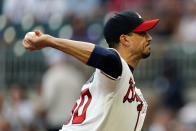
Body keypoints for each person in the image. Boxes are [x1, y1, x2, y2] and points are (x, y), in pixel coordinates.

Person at [23, 10, 159, 131]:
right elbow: (106, 58)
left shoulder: (124, 84)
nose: (149, 37)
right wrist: (49, 41)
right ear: (124, 39)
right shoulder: (117, 67)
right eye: (142, 33)